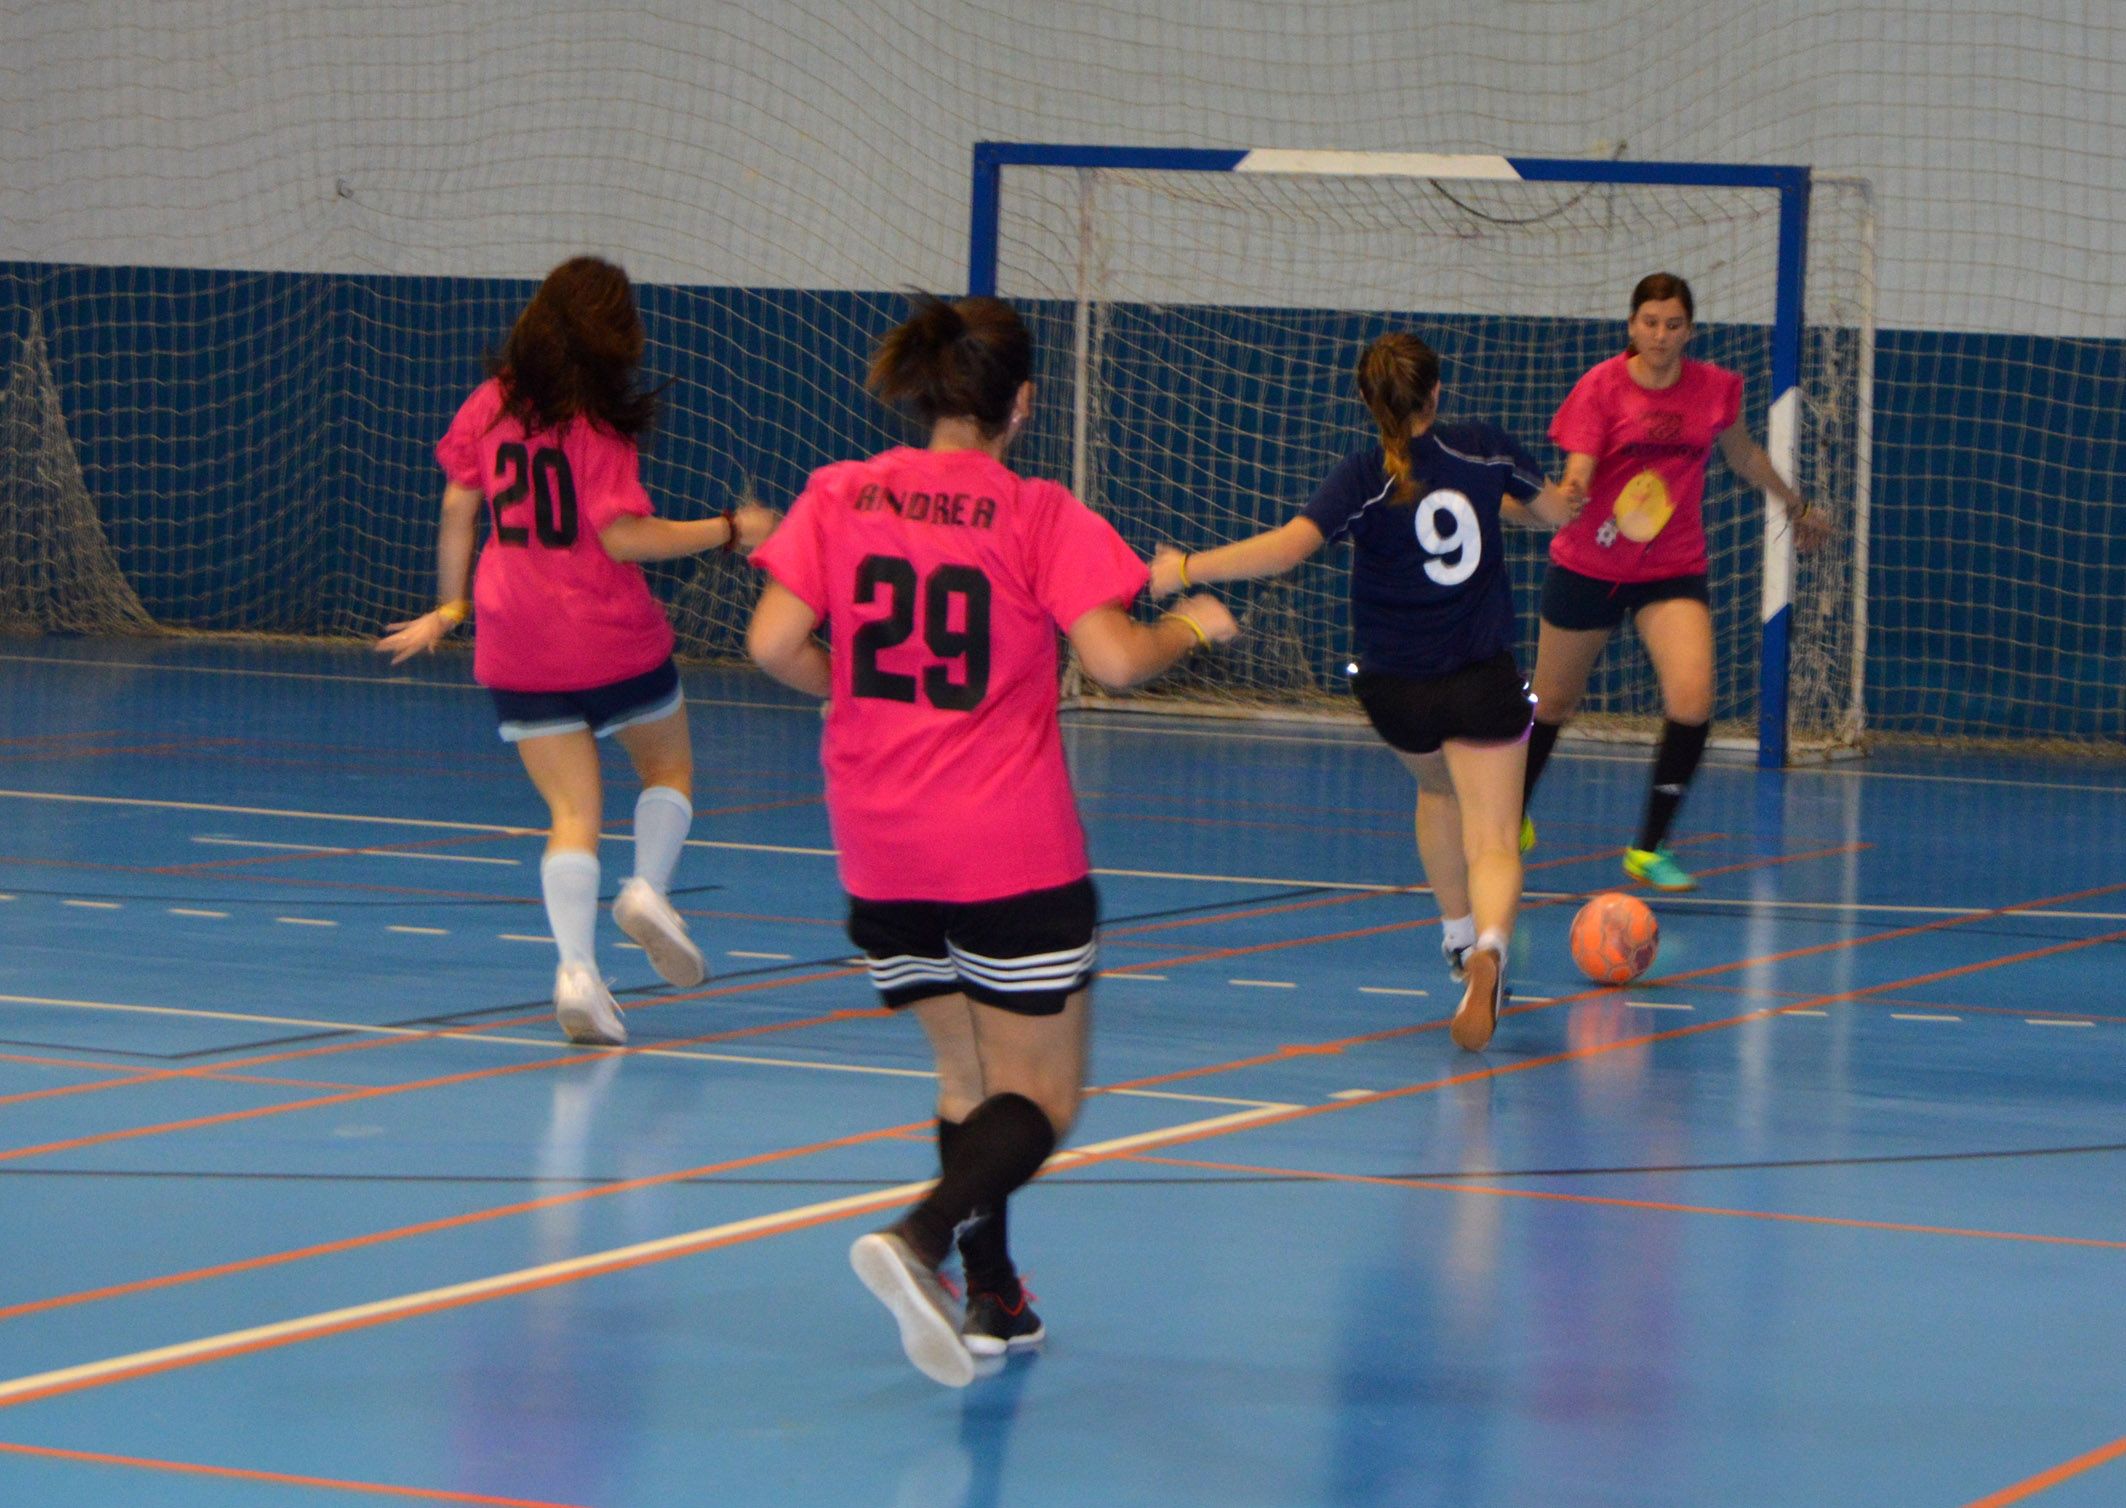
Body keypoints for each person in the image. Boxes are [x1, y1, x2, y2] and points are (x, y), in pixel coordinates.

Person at [746, 294, 1237, 1387]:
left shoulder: (836, 492)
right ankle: (918, 1240)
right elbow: (1112, 658)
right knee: (1045, 1098)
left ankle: (992, 1297)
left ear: (922, 391)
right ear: (1020, 403)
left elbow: (773, 639)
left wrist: (853, 694)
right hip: (1005, 847)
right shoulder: (1037, 512)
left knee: (968, 1074)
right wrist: (1189, 626)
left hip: (877, 843)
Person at [377, 256, 778, 1046]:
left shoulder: (489, 405)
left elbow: (459, 507)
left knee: (571, 813)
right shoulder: (596, 422)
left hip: (514, 635)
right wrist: (730, 529)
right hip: (604, 633)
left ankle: (575, 976)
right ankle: (649, 892)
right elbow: (621, 535)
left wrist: (449, 607)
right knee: (668, 769)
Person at [1149, 332, 1580, 1053]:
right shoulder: (1485, 449)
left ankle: (1454, 936)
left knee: (1438, 792)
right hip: (1480, 680)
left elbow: (1289, 547)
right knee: (1496, 837)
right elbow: (1554, 514)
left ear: (1366, 402)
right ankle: (1492, 952)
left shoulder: (1362, 478)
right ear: (1435, 394)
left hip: (1395, 689)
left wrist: (1187, 566)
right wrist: (1569, 491)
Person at [1521, 272, 1830, 891]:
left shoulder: (1713, 389)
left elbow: (1741, 454)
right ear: (1632, 326)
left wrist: (1795, 505)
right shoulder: (1601, 387)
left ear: (1689, 329)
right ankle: (1509, 810)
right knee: (1552, 703)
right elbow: (1578, 463)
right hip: (1591, 564)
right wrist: (1573, 491)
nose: (1661, 336)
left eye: (1674, 325)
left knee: (1692, 701)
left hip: (1672, 567)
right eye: (1650, 323)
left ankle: (1649, 846)